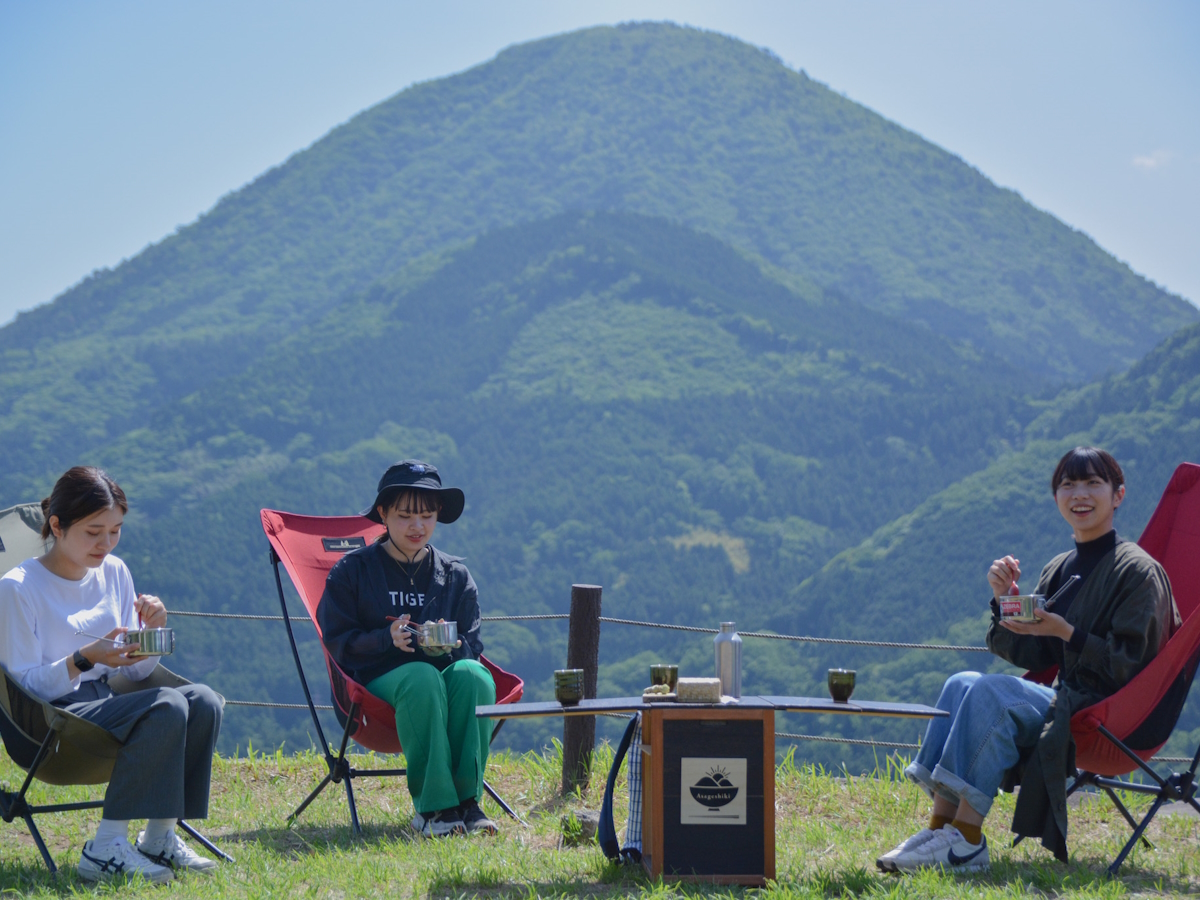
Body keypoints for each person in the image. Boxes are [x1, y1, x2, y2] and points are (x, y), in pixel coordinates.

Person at [877, 446, 1178, 874]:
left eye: (1094, 483)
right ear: (1056, 496)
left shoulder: (1138, 571)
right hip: (1066, 699)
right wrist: (1006, 605)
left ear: (1119, 495)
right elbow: (1036, 653)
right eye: (1068, 484)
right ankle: (939, 828)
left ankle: (967, 842)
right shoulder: (1062, 566)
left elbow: (1134, 666)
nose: (1080, 494)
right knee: (961, 682)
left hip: (1106, 714)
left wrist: (1065, 631)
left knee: (988, 689)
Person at [0, 467, 223, 884]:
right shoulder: (17, 588)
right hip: (50, 723)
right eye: (93, 532)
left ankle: (159, 836)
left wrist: (151, 630)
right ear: (57, 526)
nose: (106, 544)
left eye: (116, 531)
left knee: (203, 700)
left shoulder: (114, 572)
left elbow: (137, 670)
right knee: (168, 703)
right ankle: (105, 847)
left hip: (105, 703)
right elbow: (22, 688)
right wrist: (81, 660)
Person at [318, 459, 497, 838]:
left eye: (427, 516)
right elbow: (337, 641)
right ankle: (434, 809)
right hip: (373, 691)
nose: (417, 527)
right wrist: (387, 639)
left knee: (474, 675)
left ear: (439, 516)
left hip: (439, 679)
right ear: (382, 514)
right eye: (404, 516)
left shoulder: (454, 576)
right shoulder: (353, 571)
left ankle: (468, 803)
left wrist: (445, 648)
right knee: (420, 677)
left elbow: (473, 645)